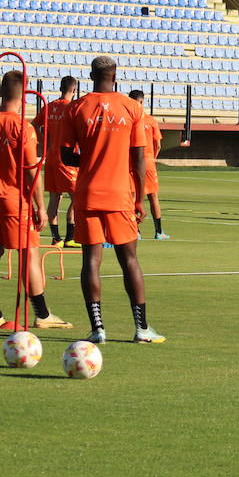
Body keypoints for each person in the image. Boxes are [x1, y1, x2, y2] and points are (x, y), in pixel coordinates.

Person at [60, 55, 165, 344]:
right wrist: (140, 198)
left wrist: (90, 158)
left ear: (91, 76)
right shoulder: (132, 108)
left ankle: (97, 329)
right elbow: (139, 158)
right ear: (115, 76)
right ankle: (141, 328)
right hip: (121, 195)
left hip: (88, 194)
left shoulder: (77, 107)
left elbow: (66, 155)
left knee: (91, 262)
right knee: (129, 259)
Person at [0, 70, 72, 331]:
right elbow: (30, 171)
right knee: (30, 257)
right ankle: (43, 315)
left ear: (0, 91)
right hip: (16, 202)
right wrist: (40, 207)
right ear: (24, 91)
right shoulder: (22, 128)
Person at [32, 75, 79, 248]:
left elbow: (34, 125)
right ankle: (70, 237)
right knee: (78, 197)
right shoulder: (72, 108)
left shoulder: (49, 107)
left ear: (60, 88)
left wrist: (44, 140)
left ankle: (56, 238)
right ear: (74, 90)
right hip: (66, 159)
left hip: (51, 157)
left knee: (54, 198)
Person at [127, 89, 169, 238]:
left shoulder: (128, 120)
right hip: (148, 162)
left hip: (132, 162)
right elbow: (157, 144)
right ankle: (159, 232)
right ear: (143, 101)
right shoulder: (150, 120)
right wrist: (151, 158)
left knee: (132, 197)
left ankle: (135, 231)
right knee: (153, 196)